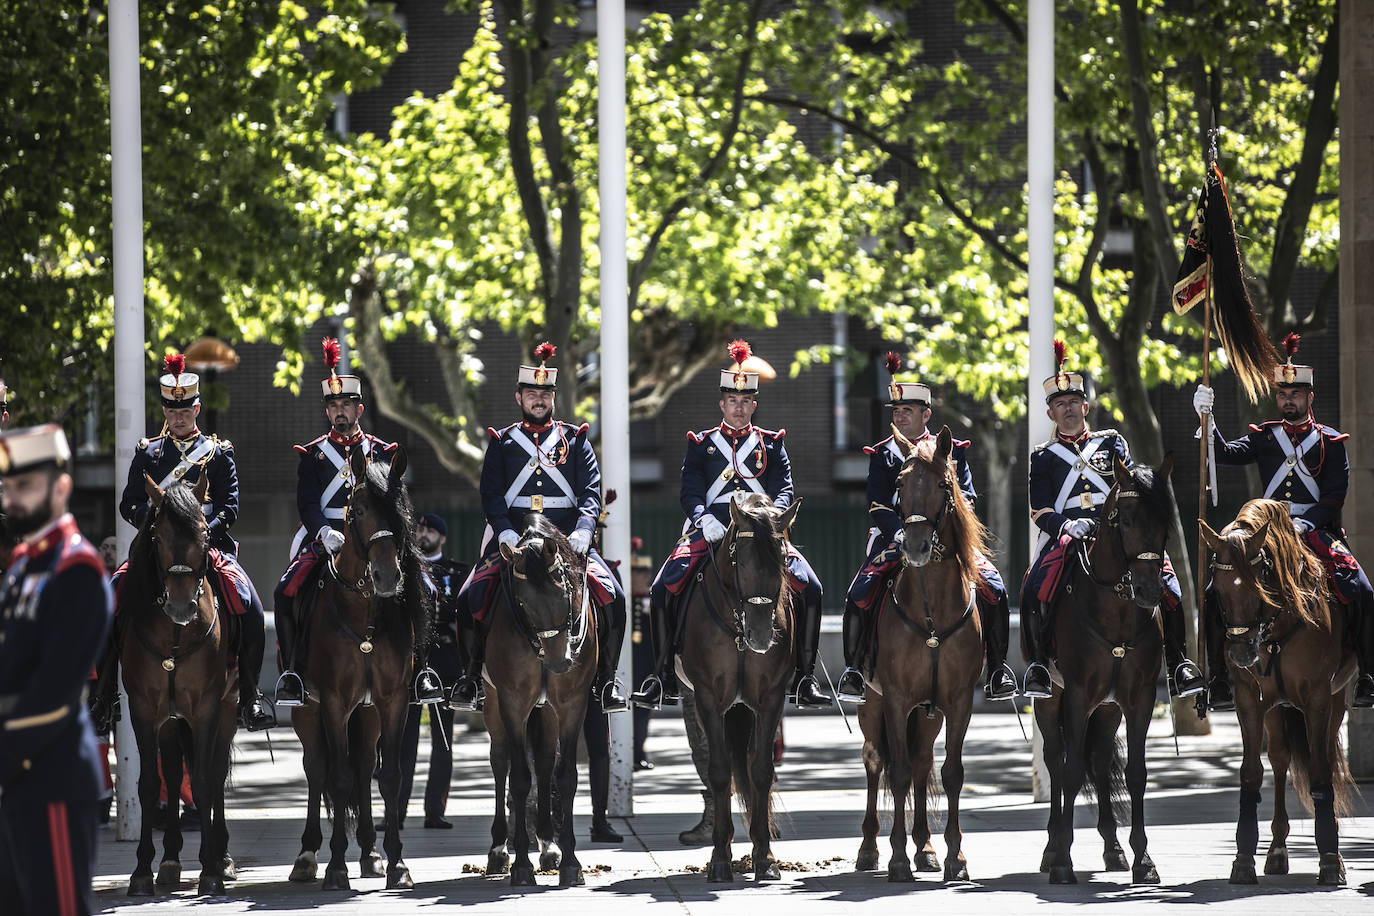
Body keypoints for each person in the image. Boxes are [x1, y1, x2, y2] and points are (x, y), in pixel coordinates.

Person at [631, 340, 832, 710]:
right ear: (722, 404)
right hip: (709, 531)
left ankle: (804, 677)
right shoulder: (701, 444)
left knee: (813, 587)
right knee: (661, 589)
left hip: (763, 532)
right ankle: (661, 677)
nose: (739, 408)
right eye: (732, 401)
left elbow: (784, 488)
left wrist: (773, 518)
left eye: (745, 402)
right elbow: (689, 490)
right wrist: (703, 518)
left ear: (753, 405)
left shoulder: (771, 445)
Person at [94, 353, 274, 732]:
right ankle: (105, 695)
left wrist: (199, 529)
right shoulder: (149, 452)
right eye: (172, 410)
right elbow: (129, 502)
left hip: (207, 547)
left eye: (186, 409)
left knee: (250, 604)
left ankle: (251, 694)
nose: (179, 417)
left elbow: (231, 506)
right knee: (112, 598)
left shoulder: (218, 453)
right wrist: (159, 524)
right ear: (164, 409)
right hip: (158, 551)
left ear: (197, 408)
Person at [1193, 333, 1374, 709]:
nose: (1287, 400)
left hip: (1315, 531)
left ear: (1309, 398)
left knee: (1361, 588)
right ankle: (1218, 678)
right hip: (1268, 534)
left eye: (1295, 394)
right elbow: (1225, 454)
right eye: (1282, 394)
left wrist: (1306, 524)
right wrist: (1208, 424)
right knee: (1215, 590)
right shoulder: (1265, 437)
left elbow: (1335, 497)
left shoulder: (1330, 443)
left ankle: (1368, 674)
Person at [450, 342, 628, 713]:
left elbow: (591, 492)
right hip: (513, 537)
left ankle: (608, 679)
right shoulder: (502, 442)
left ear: (553, 399)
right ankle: (469, 677)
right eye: (532, 394)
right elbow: (491, 494)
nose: (539, 400)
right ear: (519, 397)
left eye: (545, 394)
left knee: (614, 595)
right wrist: (503, 530)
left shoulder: (576, 440)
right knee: (470, 597)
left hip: (565, 540)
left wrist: (583, 529)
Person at [1020, 342, 1203, 700]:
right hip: (1068, 534)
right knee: (1033, 586)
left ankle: (1179, 661)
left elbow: (1132, 486)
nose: (1068, 409)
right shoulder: (1042, 457)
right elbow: (1038, 509)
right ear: (1051, 413)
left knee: (1169, 583)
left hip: (1120, 532)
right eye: (1060, 405)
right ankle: (1040, 664)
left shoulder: (1111, 443)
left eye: (1073, 403)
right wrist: (1066, 526)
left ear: (1085, 407)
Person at [834, 353, 1017, 703]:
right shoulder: (883, 454)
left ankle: (997, 669)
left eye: (908, 411)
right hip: (897, 538)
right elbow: (876, 504)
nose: (900, 416)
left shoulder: (952, 452)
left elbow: (969, 500)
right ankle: (855, 669)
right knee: (859, 593)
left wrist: (945, 532)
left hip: (950, 540)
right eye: (896, 411)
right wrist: (899, 533)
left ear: (926, 415)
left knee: (995, 586)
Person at [272, 338, 444, 707]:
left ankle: (421, 671)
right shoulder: (314, 454)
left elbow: (397, 502)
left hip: (376, 536)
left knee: (426, 588)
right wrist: (323, 531)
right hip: (327, 536)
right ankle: (294, 671)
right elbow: (306, 502)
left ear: (359, 408)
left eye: (346, 405)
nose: (340, 412)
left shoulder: (381, 452)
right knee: (286, 591)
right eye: (333, 406)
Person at [0, 424, 112, 916]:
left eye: (26, 486)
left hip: (52, 779)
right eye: (7, 487)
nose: (13, 498)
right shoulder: (23, 566)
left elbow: (55, 692)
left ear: (61, 487)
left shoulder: (77, 569)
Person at [393, 513, 470, 829]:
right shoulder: (403, 569)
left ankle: (435, 810)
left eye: (430, 530)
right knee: (403, 742)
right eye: (419, 529)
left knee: (443, 742)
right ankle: (395, 811)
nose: (423, 534)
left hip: (446, 664)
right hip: (412, 664)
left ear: (443, 538)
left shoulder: (458, 572)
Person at [629, 540, 655, 771]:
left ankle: (638, 753)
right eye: (635, 572)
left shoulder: (650, 601)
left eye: (643, 572)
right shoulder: (625, 600)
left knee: (642, 712)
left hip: (645, 663)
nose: (640, 577)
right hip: (623, 663)